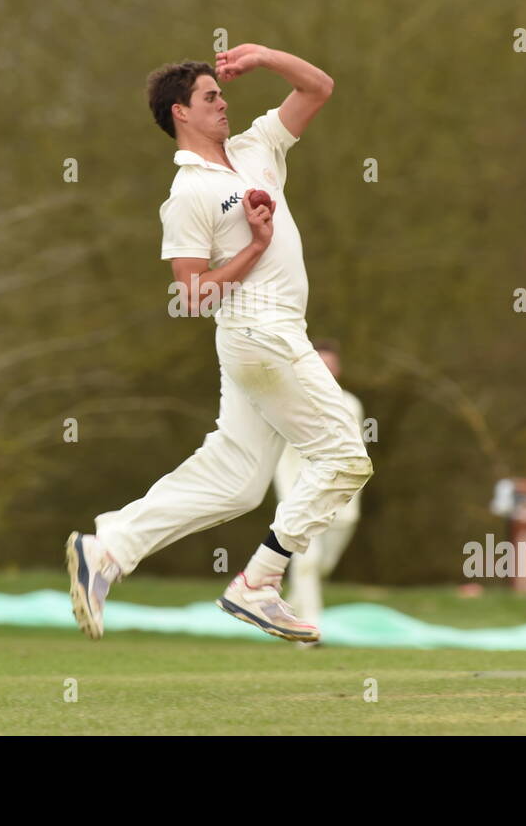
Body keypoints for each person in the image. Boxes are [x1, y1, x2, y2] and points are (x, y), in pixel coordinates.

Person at [67, 45, 373, 643]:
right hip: (258, 330)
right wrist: (253, 249)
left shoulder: (257, 148)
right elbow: (190, 295)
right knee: (344, 457)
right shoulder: (189, 193)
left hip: (269, 336)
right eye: (210, 97)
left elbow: (318, 88)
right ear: (181, 113)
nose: (223, 103)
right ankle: (259, 583)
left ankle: (108, 550)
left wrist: (261, 57)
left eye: (221, 93)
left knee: (236, 482)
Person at [273, 338, 365, 644]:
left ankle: (292, 607)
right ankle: (308, 630)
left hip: (340, 500)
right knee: (307, 560)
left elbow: (355, 452)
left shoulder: (350, 404)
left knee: (322, 565)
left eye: (330, 365)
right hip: (299, 494)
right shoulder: (286, 401)